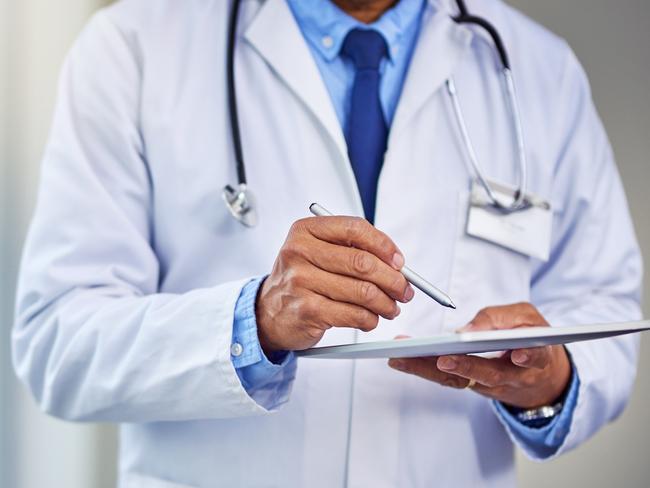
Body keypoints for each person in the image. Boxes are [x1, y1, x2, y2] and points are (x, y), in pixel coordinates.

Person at [12, 0, 643, 486]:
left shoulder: (540, 68)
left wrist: (552, 381)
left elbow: (604, 307)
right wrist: (253, 323)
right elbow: (56, 343)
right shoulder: (133, 48)